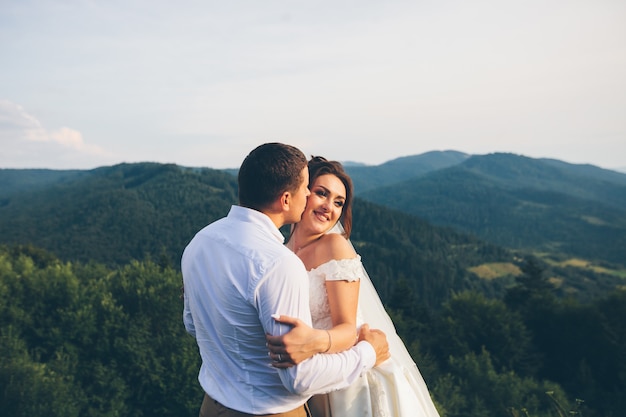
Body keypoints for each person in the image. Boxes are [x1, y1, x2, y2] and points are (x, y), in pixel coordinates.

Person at [181, 143, 390, 417]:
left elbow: (192, 324)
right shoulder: (279, 263)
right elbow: (300, 379)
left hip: (212, 406)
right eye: (308, 188)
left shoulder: (201, 242)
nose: (307, 193)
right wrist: (369, 353)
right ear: (286, 199)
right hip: (269, 411)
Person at [266, 156, 441, 417]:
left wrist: (312, 342)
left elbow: (347, 329)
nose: (329, 207)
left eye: (338, 202)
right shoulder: (282, 252)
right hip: (310, 378)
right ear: (302, 193)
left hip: (352, 383)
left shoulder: (334, 246)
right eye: (321, 193)